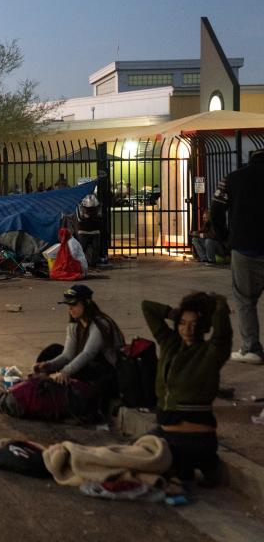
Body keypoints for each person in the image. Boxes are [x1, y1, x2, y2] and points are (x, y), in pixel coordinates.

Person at [142, 292, 231, 485]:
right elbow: (147, 306)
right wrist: (175, 314)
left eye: (194, 324)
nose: (188, 329)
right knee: (135, 453)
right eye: (183, 323)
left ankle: (198, 466)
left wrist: (215, 304)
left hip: (195, 439)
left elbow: (223, 332)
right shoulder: (170, 343)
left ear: (204, 326)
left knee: (146, 463)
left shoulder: (211, 352)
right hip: (166, 432)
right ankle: (190, 469)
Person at [211, 148, 264, 364]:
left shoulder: (233, 178)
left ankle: (251, 348)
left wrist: (225, 238)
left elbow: (216, 211)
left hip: (245, 248)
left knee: (245, 300)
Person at [34, 285, 124, 397]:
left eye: (74, 304)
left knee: (73, 371)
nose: (70, 309)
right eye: (68, 305)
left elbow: (88, 354)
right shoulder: (75, 324)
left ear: (87, 303)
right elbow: (67, 355)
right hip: (90, 366)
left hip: (107, 371)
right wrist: (48, 365)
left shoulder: (100, 324)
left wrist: (64, 372)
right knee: (53, 350)